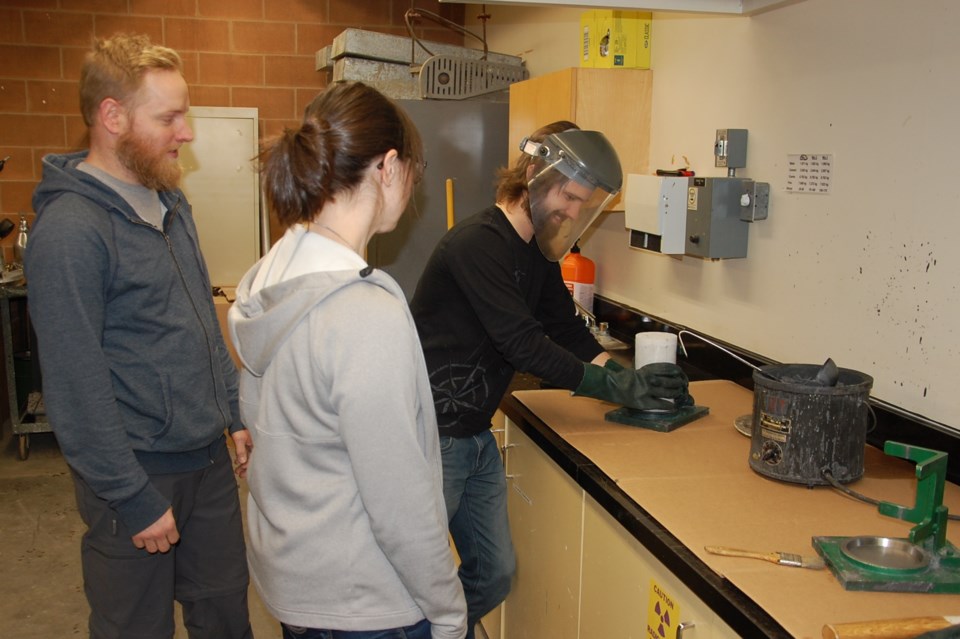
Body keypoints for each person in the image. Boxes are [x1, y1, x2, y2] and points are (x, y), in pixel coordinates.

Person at [409, 120, 692, 635]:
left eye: (583, 202)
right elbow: (522, 344)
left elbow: (564, 328)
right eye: (568, 194)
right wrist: (613, 387)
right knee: (416, 583)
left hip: (472, 434)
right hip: (433, 438)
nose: (573, 211)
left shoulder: (535, 254)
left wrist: (630, 379)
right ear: (535, 172)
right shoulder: (477, 244)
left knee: (493, 576)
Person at [24, 34, 253, 639]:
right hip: (136, 472)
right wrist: (130, 495)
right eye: (170, 117)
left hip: (207, 464)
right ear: (112, 116)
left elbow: (201, 322)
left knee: (226, 617)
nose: (188, 132)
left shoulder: (171, 201)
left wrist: (232, 413)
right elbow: (75, 384)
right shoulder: (71, 231)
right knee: (136, 628)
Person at [227, 82, 468, 639]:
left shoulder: (271, 276)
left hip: (299, 585)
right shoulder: (363, 314)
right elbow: (398, 500)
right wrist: (449, 608)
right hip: (367, 603)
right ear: (387, 167)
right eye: (416, 168)